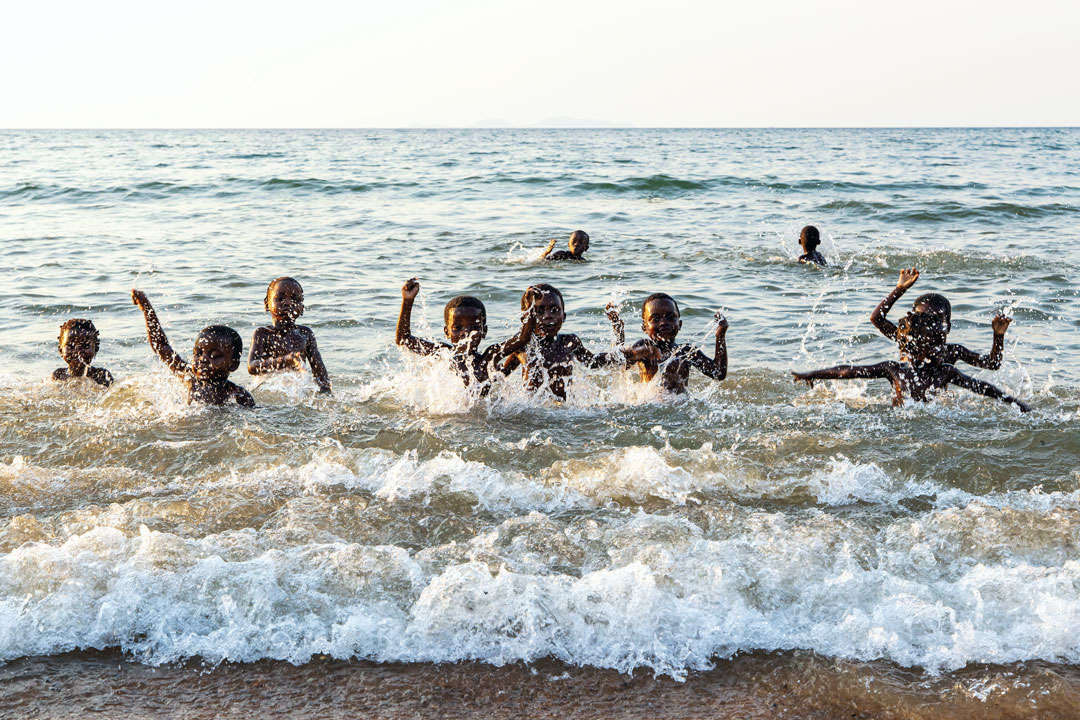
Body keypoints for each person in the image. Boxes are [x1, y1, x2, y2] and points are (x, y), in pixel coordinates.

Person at [793, 311, 1030, 411]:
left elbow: (984, 387)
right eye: (934, 342)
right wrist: (812, 374)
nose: (941, 345)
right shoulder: (894, 369)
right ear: (917, 346)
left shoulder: (946, 370)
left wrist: (1017, 404)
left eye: (941, 337)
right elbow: (849, 371)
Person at [501, 283, 658, 400]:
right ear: (526, 317)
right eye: (539, 311)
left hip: (564, 410)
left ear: (564, 316)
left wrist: (633, 350)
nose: (548, 315)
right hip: (533, 410)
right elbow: (500, 376)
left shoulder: (569, 342)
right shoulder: (522, 346)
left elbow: (596, 362)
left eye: (554, 310)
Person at [395, 278, 535, 393]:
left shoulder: (489, 358)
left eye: (474, 327)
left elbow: (523, 338)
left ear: (484, 331)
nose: (466, 332)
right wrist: (407, 301)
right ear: (447, 332)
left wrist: (530, 310)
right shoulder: (442, 354)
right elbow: (403, 339)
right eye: (457, 327)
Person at [131, 290, 254, 407]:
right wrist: (147, 309)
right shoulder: (190, 378)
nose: (203, 359)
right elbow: (162, 347)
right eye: (198, 353)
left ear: (233, 365)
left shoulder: (237, 395)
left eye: (214, 356)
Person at [870, 268, 1011, 369]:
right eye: (922, 318)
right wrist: (900, 289)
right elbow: (877, 318)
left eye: (935, 320)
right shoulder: (908, 341)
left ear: (947, 327)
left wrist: (998, 335)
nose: (928, 324)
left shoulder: (952, 351)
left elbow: (992, 364)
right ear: (912, 321)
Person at [606, 293, 728, 394]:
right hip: (651, 405)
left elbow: (718, 373)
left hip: (680, 408)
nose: (664, 322)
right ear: (644, 328)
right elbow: (619, 360)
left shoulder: (686, 351)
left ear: (680, 325)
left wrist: (720, 335)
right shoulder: (644, 347)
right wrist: (618, 328)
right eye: (655, 319)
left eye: (670, 317)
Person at [248, 277, 331, 393]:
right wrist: (285, 360)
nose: (288, 303)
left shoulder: (305, 334)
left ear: (302, 309)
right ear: (267, 304)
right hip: (270, 390)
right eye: (280, 298)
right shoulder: (262, 333)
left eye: (295, 299)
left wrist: (326, 392)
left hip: (298, 391)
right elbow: (252, 367)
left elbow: (319, 372)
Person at [51, 318, 113, 386]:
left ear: (96, 349)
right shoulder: (58, 375)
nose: (78, 351)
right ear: (60, 350)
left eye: (86, 345)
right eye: (71, 346)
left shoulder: (101, 376)